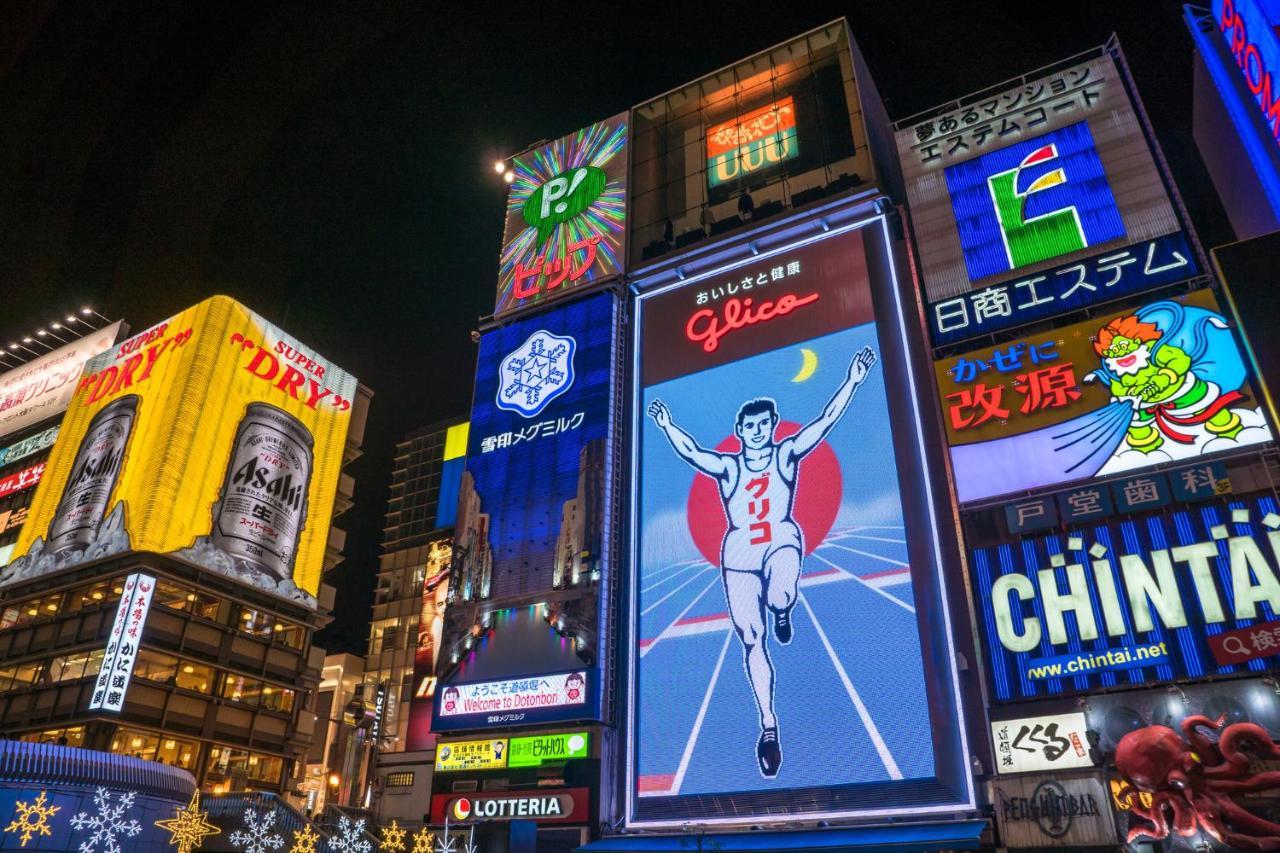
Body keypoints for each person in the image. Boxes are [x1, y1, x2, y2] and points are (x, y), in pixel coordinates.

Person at [647, 345, 877, 777]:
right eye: (748, 425)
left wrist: (853, 379)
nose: (756, 430)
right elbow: (693, 453)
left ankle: (784, 608)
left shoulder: (785, 454)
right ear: (739, 429)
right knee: (752, 639)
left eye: (763, 423)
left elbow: (824, 423)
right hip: (738, 555)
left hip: (781, 540)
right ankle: (769, 725)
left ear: (772, 426)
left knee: (782, 592)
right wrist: (666, 424)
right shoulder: (730, 468)